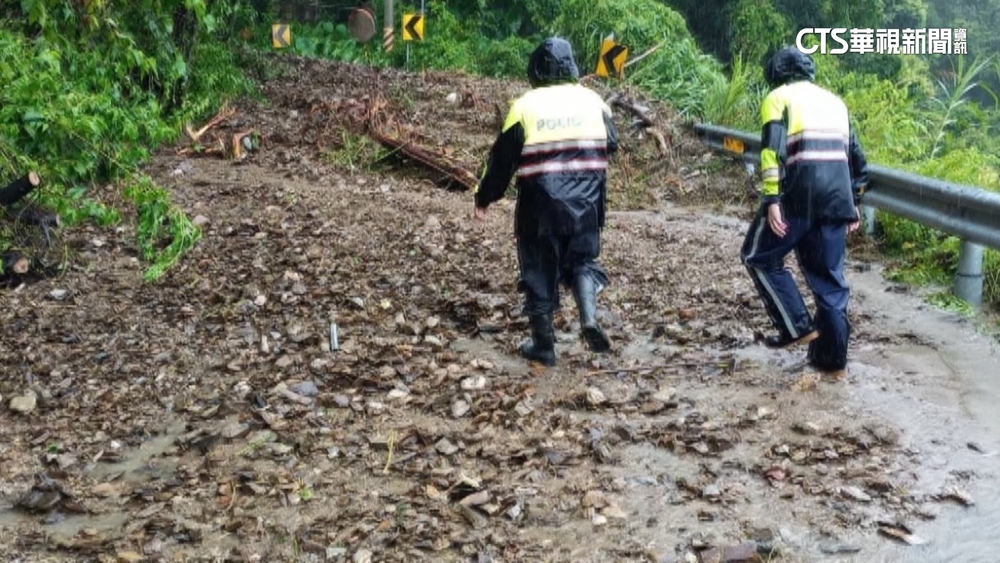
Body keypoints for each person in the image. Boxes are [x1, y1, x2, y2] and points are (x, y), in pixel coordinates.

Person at [473, 37, 619, 366]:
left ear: (536, 68)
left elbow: (501, 161)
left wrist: (484, 197)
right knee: (583, 262)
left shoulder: (525, 106)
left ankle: (543, 345)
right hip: (588, 204)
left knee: (538, 271)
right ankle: (589, 319)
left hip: (540, 207)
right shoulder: (595, 101)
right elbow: (612, 143)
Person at [740, 46, 869, 381]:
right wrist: (853, 200)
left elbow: (772, 151)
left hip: (798, 195)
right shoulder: (836, 102)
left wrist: (772, 199)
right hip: (837, 198)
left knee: (758, 256)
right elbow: (855, 155)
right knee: (830, 283)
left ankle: (795, 325)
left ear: (777, 72)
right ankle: (833, 362)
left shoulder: (778, 97)